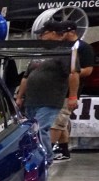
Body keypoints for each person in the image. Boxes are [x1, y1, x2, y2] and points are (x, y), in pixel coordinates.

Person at [15, 20, 79, 162]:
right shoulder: (39, 52)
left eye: (43, 34)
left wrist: (73, 96)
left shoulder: (66, 51)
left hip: (50, 100)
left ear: (55, 34)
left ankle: (46, 159)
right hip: (31, 100)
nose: (40, 37)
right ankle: (34, 157)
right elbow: (26, 77)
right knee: (31, 129)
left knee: (41, 129)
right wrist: (19, 97)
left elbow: (73, 74)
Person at [51, 19, 95, 161]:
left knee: (58, 121)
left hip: (69, 90)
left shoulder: (83, 48)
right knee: (61, 122)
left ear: (72, 32)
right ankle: (63, 150)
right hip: (57, 89)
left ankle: (49, 150)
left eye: (62, 33)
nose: (60, 35)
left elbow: (88, 70)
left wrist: (71, 72)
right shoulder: (62, 48)